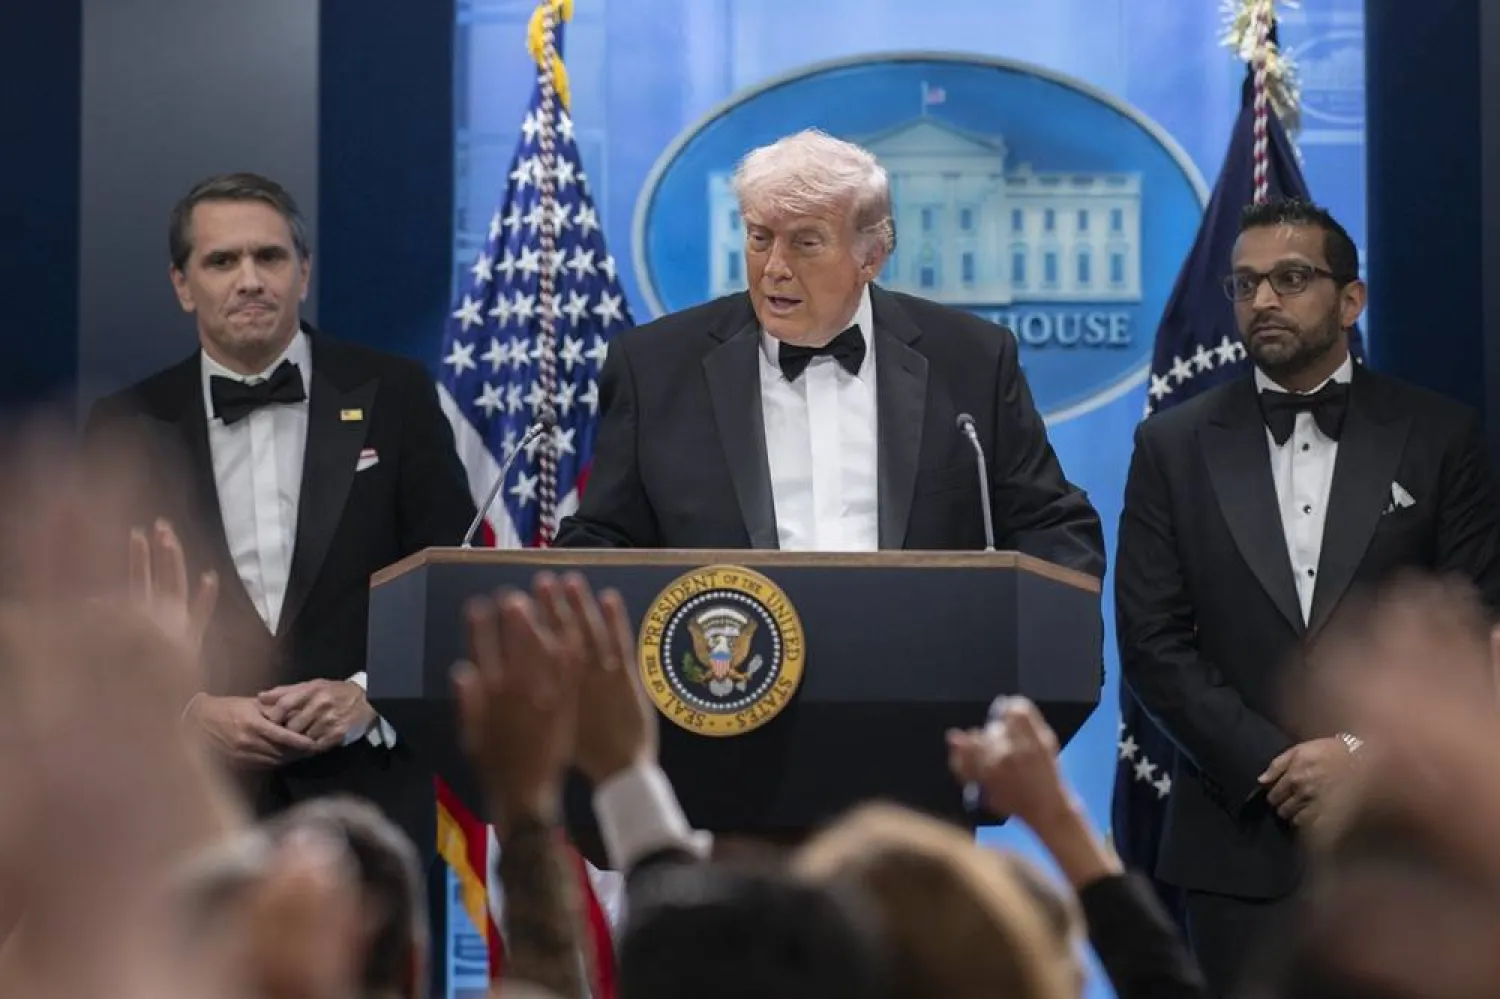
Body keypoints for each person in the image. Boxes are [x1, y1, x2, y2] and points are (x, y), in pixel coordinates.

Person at [1114, 196, 1500, 994]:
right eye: (1246, 283)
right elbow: (1152, 643)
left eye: (1291, 278)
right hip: (1237, 840)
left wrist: (1357, 755)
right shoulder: (1171, 444)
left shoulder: (1440, 436)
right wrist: (1276, 768)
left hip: (1408, 842)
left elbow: (1472, 624)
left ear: (1350, 299)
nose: (1262, 300)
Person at [84, 172, 477, 864]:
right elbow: (87, 617)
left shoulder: (398, 394)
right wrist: (187, 712)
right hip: (188, 813)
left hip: (367, 808)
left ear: (304, 272)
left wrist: (370, 695)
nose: (249, 279)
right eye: (221, 260)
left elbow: (452, 581)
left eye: (269, 257)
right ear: (182, 285)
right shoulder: (126, 425)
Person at [555, 129, 1103, 575]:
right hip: (722, 690)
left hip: (924, 688)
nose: (774, 268)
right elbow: (604, 536)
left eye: (805, 242)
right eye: (760, 237)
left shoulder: (972, 360)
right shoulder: (654, 367)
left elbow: (1051, 524)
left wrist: (1032, 654)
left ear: (872, 256)